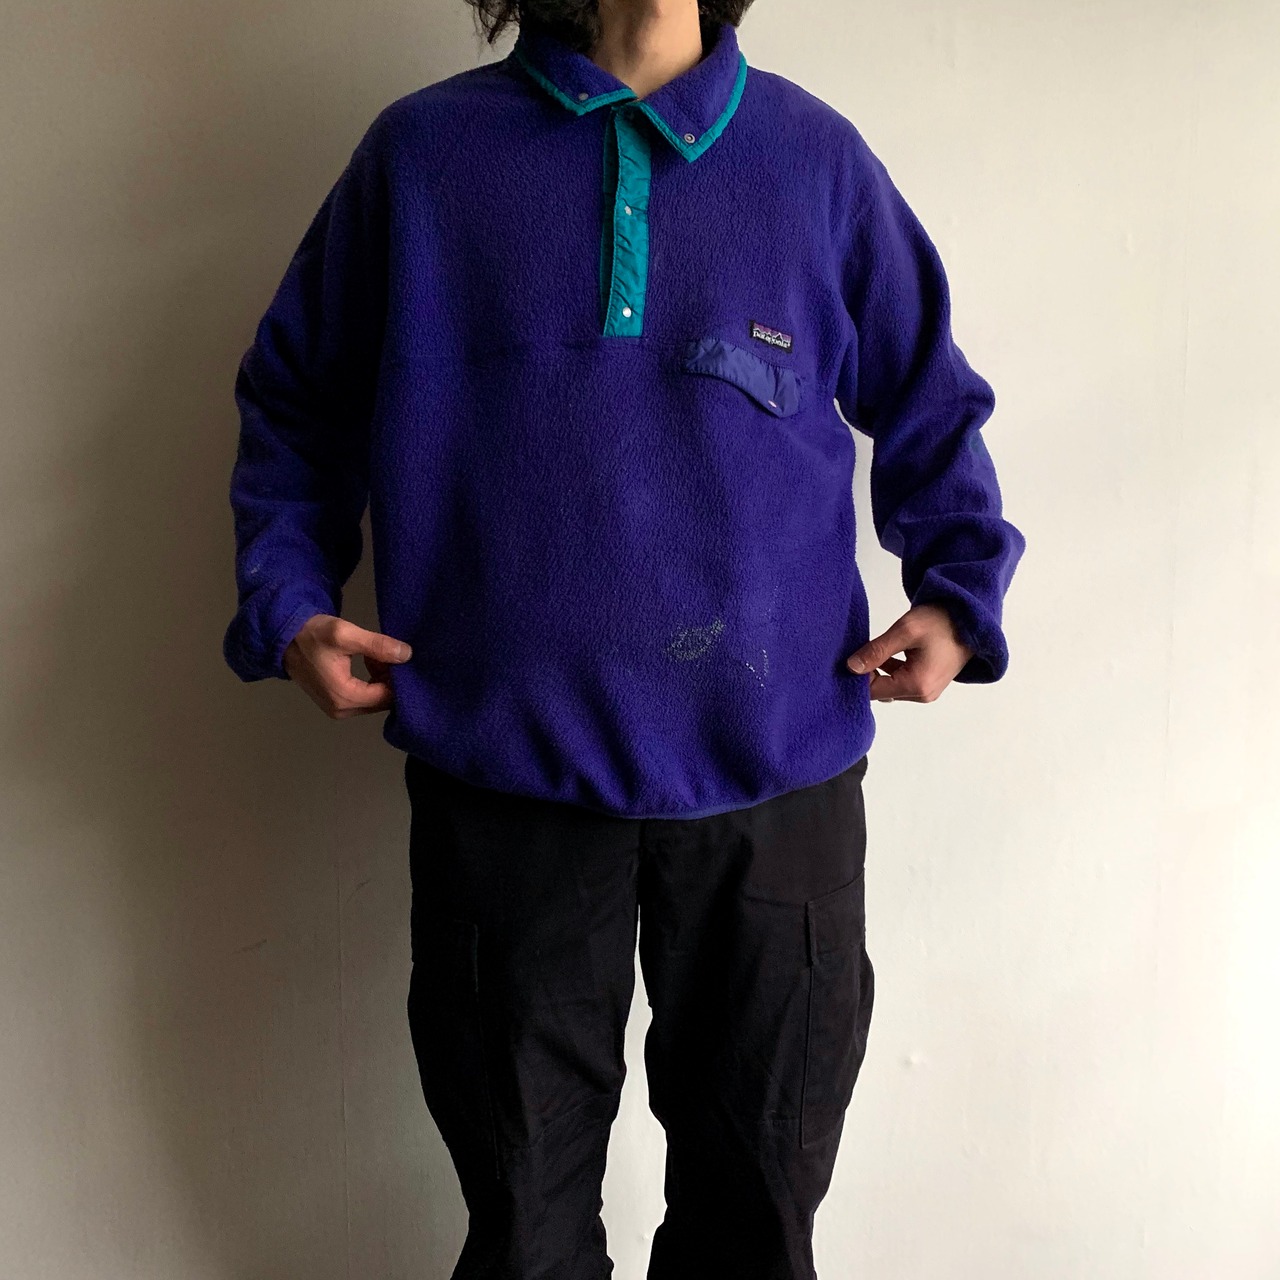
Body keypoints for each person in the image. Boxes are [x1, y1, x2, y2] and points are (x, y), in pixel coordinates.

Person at [222, 0, 1026, 1274]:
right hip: (505, 777)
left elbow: (927, 392)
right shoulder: (421, 159)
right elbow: (295, 402)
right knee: (524, 1230)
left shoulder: (814, 160)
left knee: (754, 1224)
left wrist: (955, 587)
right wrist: (288, 603)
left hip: (776, 776)